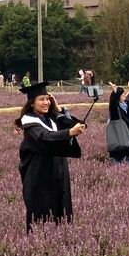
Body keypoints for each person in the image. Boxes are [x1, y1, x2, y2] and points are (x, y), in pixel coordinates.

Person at [15, 81, 85, 231]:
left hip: (58, 173)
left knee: (61, 209)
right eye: (41, 99)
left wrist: (58, 109)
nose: (46, 102)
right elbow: (45, 137)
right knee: (41, 214)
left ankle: (60, 240)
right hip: (39, 176)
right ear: (32, 103)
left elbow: (76, 124)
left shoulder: (52, 118)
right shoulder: (30, 123)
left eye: (48, 99)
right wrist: (69, 133)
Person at [106, 82, 129, 163]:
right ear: (118, 97)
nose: (124, 97)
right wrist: (115, 91)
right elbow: (113, 102)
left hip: (127, 142)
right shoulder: (115, 110)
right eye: (122, 95)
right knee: (119, 163)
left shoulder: (125, 106)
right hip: (119, 144)